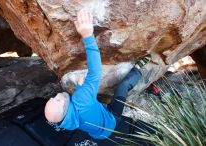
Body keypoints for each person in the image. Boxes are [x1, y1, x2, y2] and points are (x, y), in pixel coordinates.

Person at [44, 10, 151, 139]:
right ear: (64, 108)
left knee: (97, 107)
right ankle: (138, 69)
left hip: (100, 134)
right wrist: (88, 36)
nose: (57, 95)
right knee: (123, 86)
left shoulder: (68, 122)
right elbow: (95, 71)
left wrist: (80, 87)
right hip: (112, 119)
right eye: (57, 100)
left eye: (53, 97)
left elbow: (82, 107)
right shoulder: (81, 99)